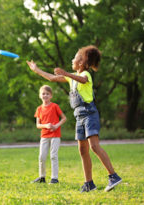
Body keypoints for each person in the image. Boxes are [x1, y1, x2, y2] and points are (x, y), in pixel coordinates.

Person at [27, 45, 122, 192]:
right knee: (82, 150)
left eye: (75, 57)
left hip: (89, 114)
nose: (72, 59)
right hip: (79, 116)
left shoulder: (86, 74)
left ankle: (113, 176)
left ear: (82, 62)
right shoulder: (71, 77)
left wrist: (66, 73)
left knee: (94, 146)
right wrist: (36, 69)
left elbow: (82, 80)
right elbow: (52, 78)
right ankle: (89, 183)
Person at [32, 85, 66, 184]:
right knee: (42, 156)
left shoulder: (54, 106)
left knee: (53, 156)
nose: (45, 95)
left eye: (47, 94)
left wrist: (56, 126)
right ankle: (42, 177)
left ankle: (54, 178)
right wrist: (46, 125)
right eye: (43, 93)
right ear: (40, 95)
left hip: (55, 135)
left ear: (51, 96)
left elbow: (64, 118)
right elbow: (38, 125)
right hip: (44, 136)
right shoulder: (39, 109)